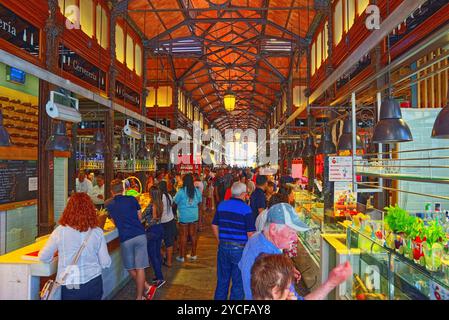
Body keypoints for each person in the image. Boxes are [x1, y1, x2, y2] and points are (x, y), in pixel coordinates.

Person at [239, 203, 352, 300]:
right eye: (291, 232)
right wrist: (331, 282)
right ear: (273, 229)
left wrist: (283, 268)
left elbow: (243, 266)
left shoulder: (257, 238)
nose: (295, 238)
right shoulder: (268, 256)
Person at [39, 193, 111, 300]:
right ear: (91, 210)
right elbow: (106, 262)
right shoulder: (97, 232)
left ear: (68, 210)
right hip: (93, 283)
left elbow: (43, 256)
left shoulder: (60, 231)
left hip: (70, 285)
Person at [105, 179, 151, 300]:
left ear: (111, 191)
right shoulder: (132, 199)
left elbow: (114, 222)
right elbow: (140, 217)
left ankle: (145, 290)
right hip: (140, 235)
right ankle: (140, 295)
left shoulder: (109, 204)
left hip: (126, 238)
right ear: (123, 189)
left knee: (130, 268)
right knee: (140, 268)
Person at [212, 182, 256, 300]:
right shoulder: (246, 209)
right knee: (238, 282)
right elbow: (250, 233)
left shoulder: (222, 205)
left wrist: (219, 240)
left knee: (222, 280)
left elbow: (214, 225)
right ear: (242, 194)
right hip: (240, 250)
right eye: (246, 193)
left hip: (223, 247)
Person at [173, 173, 202, 262]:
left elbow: (175, 203)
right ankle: (193, 254)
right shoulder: (196, 191)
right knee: (193, 235)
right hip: (194, 216)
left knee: (183, 236)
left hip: (184, 216)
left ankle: (182, 256)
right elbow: (200, 202)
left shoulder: (181, 191)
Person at [143, 186, 165, 288]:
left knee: (153, 256)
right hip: (160, 228)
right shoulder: (160, 203)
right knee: (157, 254)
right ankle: (158, 275)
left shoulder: (151, 205)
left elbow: (142, 216)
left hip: (152, 231)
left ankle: (160, 278)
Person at [158, 181, 177, 267]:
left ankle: (165, 256)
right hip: (170, 220)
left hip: (163, 222)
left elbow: (160, 211)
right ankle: (168, 260)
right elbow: (172, 205)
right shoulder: (168, 195)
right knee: (169, 242)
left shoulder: (160, 197)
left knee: (159, 242)